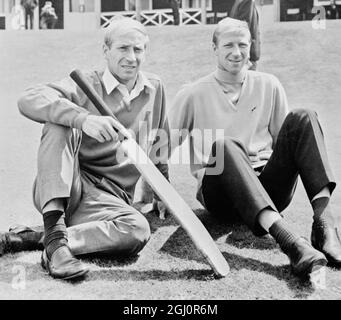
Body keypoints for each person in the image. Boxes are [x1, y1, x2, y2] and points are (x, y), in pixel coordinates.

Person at [167, 18, 341, 281]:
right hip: (221, 193)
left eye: (243, 45)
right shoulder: (192, 93)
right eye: (228, 45)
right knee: (226, 145)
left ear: (251, 47)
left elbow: (289, 142)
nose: (237, 52)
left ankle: (325, 226)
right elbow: (162, 144)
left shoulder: (268, 84)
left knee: (304, 116)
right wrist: (153, 191)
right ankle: (291, 242)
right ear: (214, 48)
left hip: (269, 188)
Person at [0, 18, 169, 281]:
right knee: (60, 124)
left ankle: (45, 238)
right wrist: (84, 119)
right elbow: (28, 98)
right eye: (123, 48)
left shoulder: (155, 88)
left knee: (137, 229)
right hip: (68, 189)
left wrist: (161, 190)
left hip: (110, 202)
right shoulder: (85, 84)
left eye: (138, 49)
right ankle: (56, 245)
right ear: (106, 50)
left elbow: (160, 139)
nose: (131, 57)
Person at [212, 0, 260, 70]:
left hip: (244, 55)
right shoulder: (245, 1)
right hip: (244, 56)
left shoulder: (241, 2)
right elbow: (244, 29)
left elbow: (244, 29)